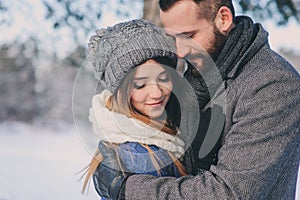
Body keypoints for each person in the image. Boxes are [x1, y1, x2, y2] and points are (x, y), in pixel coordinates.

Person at [92, 0, 300, 199]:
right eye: (175, 38)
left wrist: (127, 189)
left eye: (189, 35)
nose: (180, 52)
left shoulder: (272, 84)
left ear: (224, 19)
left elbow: (230, 193)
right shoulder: (200, 72)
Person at [82, 19, 198, 199]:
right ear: (120, 91)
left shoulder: (160, 130)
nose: (156, 92)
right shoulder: (140, 156)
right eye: (141, 84)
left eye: (163, 78)